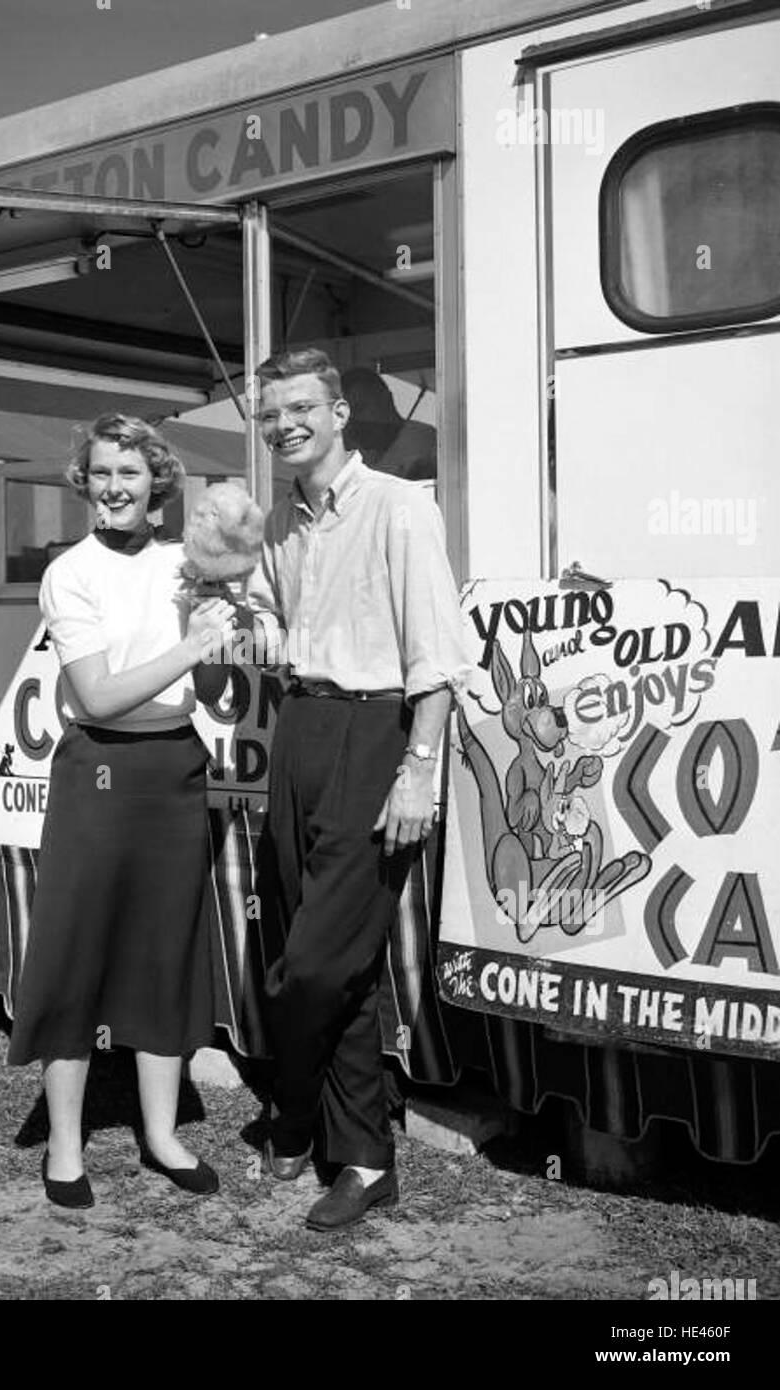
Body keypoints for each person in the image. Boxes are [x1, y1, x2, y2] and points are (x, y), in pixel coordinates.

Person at [244, 347, 469, 1231]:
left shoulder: (401, 507)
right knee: (339, 962)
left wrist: (417, 772)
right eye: (269, 415)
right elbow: (270, 610)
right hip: (297, 729)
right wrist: (256, 626)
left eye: (300, 407)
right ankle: (364, 1156)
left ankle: (300, 1112)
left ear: (339, 413)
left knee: (315, 962)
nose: (284, 424)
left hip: (374, 733)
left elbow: (438, 657)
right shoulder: (278, 519)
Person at [7, 412, 236, 1207]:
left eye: (130, 474)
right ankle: (64, 1148)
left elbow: (205, 689)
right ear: (84, 482)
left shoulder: (186, 564)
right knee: (76, 948)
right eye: (102, 473)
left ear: (158, 483)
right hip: (96, 770)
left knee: (163, 949)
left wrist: (225, 629)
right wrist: (190, 647)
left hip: (174, 766)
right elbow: (99, 694)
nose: (114, 488)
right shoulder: (69, 572)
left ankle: (162, 1136)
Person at [340, 365, 437, 483]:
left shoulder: (424, 440)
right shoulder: (355, 458)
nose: (354, 420)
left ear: (385, 399)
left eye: (359, 408)